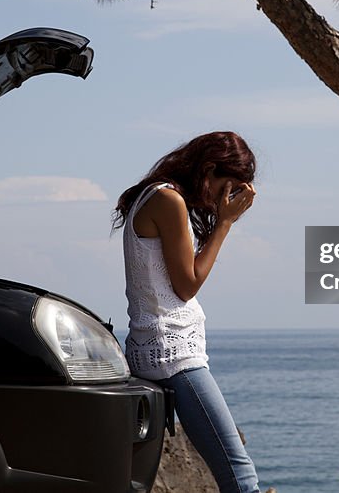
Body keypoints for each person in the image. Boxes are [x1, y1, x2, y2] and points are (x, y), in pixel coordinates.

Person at [113, 131, 260, 493]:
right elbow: (187, 284)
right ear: (208, 169)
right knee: (241, 477)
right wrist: (225, 223)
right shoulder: (167, 199)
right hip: (174, 356)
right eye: (226, 188)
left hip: (157, 350)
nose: (221, 199)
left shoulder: (156, 195)